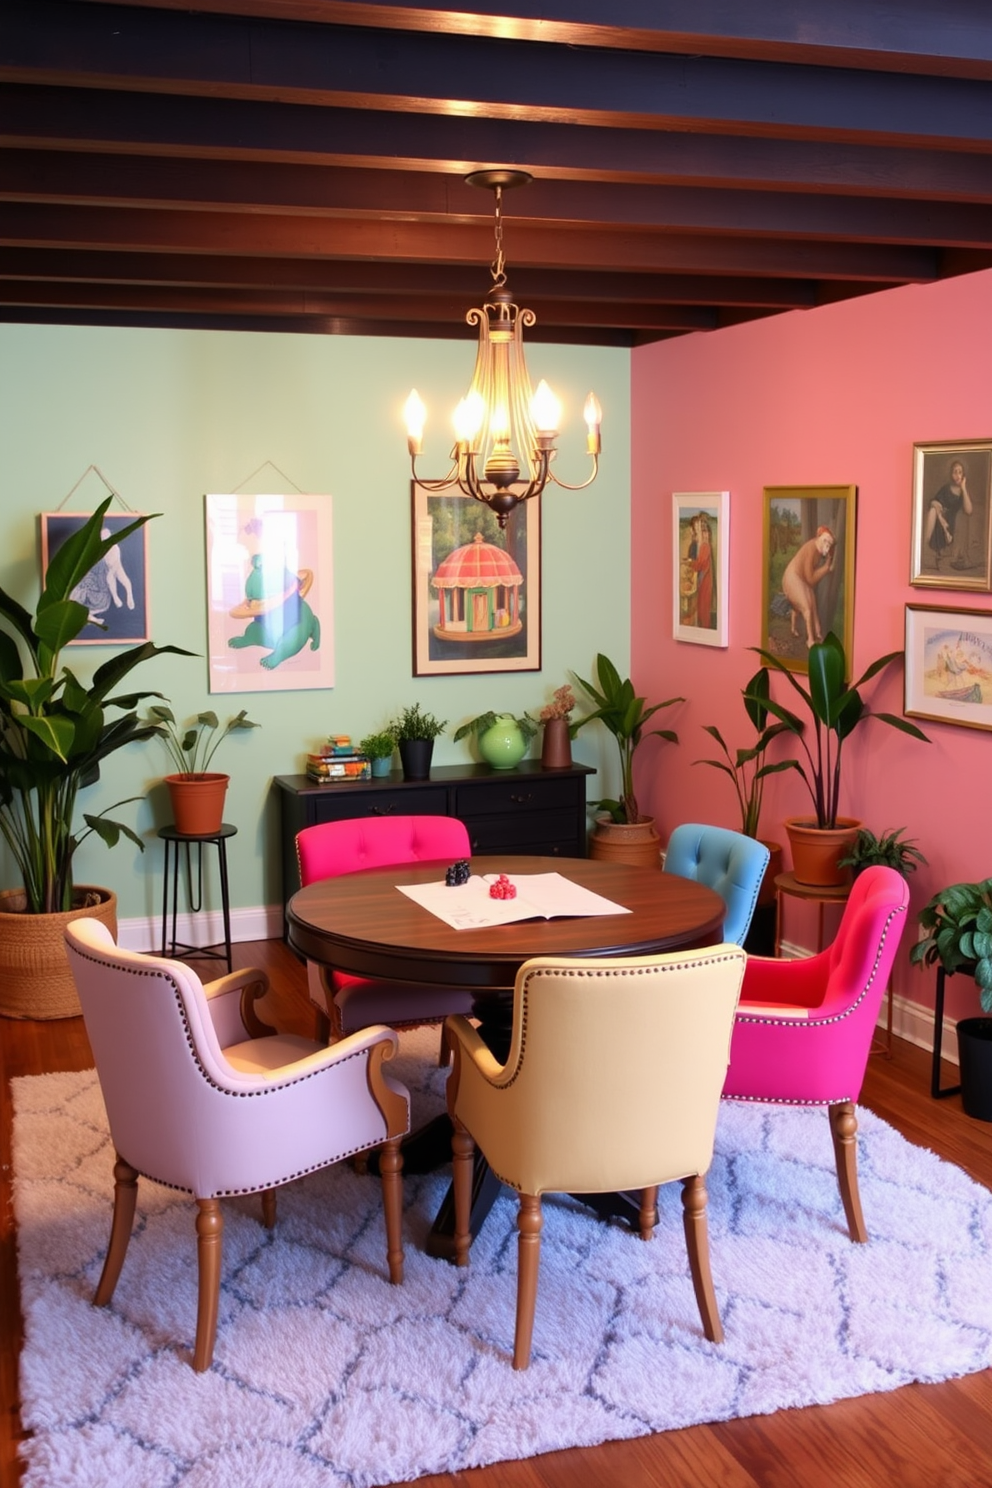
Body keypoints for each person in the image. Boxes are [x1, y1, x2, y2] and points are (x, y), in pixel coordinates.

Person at [780, 525, 835, 648]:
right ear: (819, 538)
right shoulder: (812, 548)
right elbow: (810, 579)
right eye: (825, 540)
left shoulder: (818, 551)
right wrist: (826, 568)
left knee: (811, 600)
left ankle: (817, 632)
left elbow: (808, 577)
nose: (827, 544)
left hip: (800, 578)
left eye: (829, 543)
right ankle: (810, 640)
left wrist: (827, 564)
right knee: (807, 608)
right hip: (792, 577)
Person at [925, 458, 973, 569]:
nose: (957, 475)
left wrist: (964, 488)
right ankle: (926, 547)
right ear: (951, 474)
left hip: (953, 522)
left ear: (963, 475)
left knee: (942, 514)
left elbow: (969, 510)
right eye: (955, 472)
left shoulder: (963, 492)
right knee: (933, 510)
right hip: (940, 519)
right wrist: (938, 510)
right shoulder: (946, 488)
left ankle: (947, 537)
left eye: (960, 472)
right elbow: (933, 501)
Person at [683, 512, 715, 629]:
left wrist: (689, 563)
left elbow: (700, 565)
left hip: (705, 582)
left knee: (703, 610)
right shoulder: (701, 546)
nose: (699, 535)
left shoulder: (705, 546)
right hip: (702, 581)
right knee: (700, 609)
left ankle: (705, 629)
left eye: (700, 532)